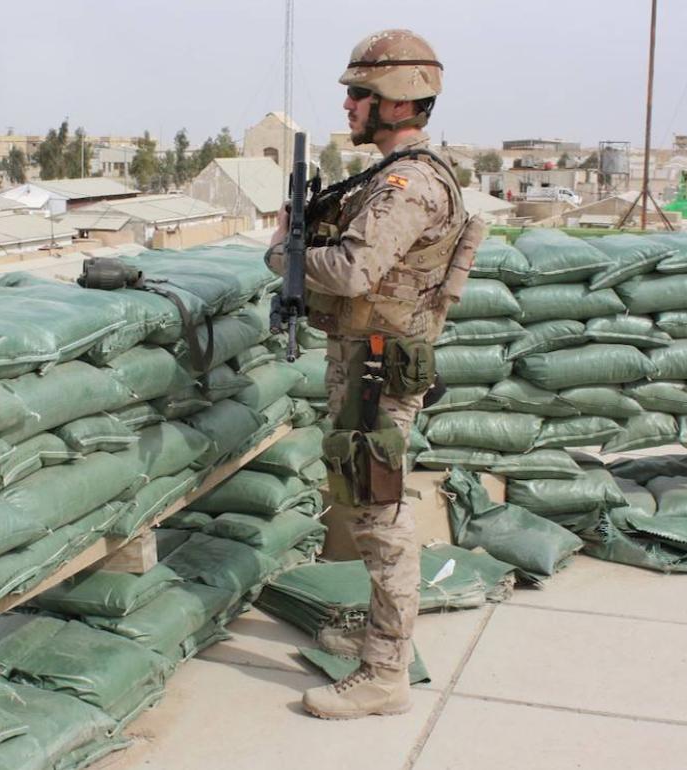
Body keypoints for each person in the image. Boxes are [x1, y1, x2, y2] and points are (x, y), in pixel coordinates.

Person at [266, 29, 484, 720]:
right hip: (369, 360)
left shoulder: (408, 183)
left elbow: (355, 269)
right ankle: (383, 633)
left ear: (395, 103)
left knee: (380, 513)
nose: (349, 105)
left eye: (359, 94)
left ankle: (385, 670)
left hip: (377, 370)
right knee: (365, 504)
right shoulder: (394, 176)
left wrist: (284, 255)